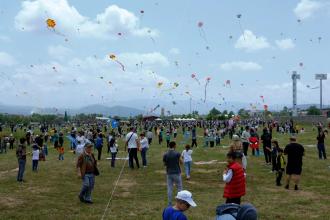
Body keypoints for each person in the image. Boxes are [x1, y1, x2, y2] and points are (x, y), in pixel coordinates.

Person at [163, 141, 183, 205]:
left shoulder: (165, 154)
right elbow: (181, 162)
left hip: (169, 173)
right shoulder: (177, 153)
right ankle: (179, 202)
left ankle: (169, 203)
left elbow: (164, 164)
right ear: (174, 146)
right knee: (179, 187)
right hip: (177, 172)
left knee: (169, 188)